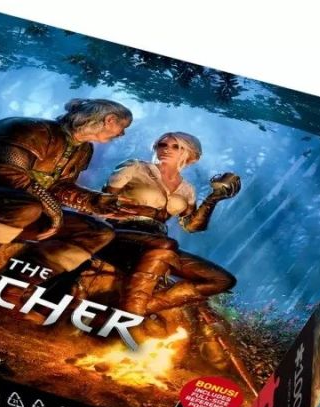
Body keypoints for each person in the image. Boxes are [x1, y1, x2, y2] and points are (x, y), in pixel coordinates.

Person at [0, 99, 153, 298]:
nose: (122, 134)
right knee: (24, 206)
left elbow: (59, 187)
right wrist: (53, 210)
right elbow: (4, 174)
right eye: (123, 126)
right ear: (109, 120)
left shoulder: (82, 150)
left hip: (8, 209)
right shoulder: (25, 128)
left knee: (98, 233)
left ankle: (11, 289)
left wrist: (96, 202)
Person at [95, 131, 240, 316]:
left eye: (175, 147)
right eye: (162, 144)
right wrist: (135, 209)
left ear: (190, 154)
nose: (166, 149)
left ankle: (145, 307)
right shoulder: (135, 167)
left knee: (222, 280)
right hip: (122, 231)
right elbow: (101, 202)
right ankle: (132, 307)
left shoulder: (188, 189)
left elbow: (192, 226)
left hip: (158, 242)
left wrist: (214, 198)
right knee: (166, 245)